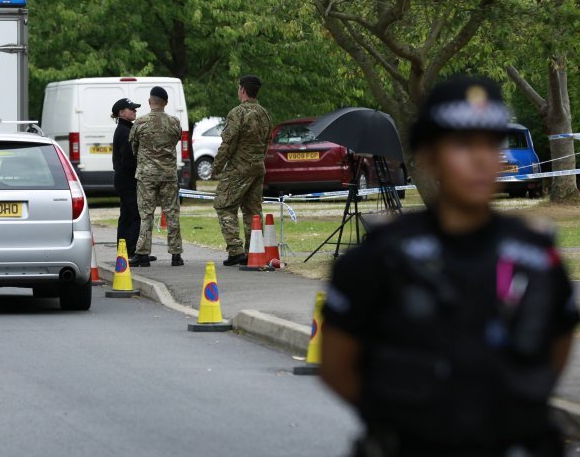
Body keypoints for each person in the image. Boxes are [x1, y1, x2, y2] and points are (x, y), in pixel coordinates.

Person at [320, 75, 579, 457]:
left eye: (491, 143)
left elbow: (555, 349)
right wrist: (406, 420)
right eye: (462, 143)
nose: (479, 158)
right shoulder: (380, 256)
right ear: (428, 156)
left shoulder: (537, 255)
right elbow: (337, 366)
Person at [212, 75, 272, 266]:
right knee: (253, 211)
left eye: (239, 88)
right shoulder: (264, 114)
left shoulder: (237, 113)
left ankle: (236, 250)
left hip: (239, 168)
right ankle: (254, 251)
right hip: (257, 168)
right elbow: (267, 142)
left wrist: (217, 167)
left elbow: (228, 144)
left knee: (223, 205)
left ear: (243, 90)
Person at [129, 86, 184, 267]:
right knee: (172, 213)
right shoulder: (175, 122)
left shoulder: (140, 123)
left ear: (149, 101)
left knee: (146, 214)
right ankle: (176, 254)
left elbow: (134, 148)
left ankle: (143, 253)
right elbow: (176, 140)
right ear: (166, 103)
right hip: (168, 174)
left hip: (147, 175)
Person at [111, 97, 149, 261]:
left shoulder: (125, 129)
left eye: (135, 109)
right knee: (134, 215)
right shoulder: (125, 131)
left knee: (126, 215)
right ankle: (133, 251)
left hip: (124, 179)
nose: (135, 111)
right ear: (121, 112)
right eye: (131, 109)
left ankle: (124, 251)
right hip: (128, 179)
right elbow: (128, 158)